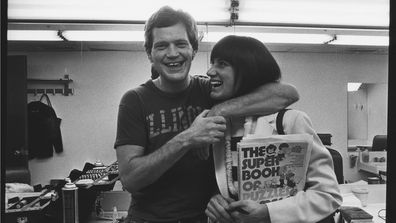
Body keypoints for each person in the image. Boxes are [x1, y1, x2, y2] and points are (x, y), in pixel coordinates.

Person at [114, 6, 299, 223]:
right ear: (149, 54)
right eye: (162, 46)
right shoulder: (135, 100)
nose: (172, 53)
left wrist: (217, 110)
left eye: (181, 44)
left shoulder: (210, 91)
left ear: (193, 49)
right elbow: (130, 179)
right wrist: (187, 139)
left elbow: (286, 94)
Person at [205, 35, 342, 223]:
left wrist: (268, 212)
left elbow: (327, 195)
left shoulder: (290, 121)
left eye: (222, 64)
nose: (209, 71)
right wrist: (214, 200)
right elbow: (221, 186)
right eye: (212, 63)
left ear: (247, 70)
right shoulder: (216, 127)